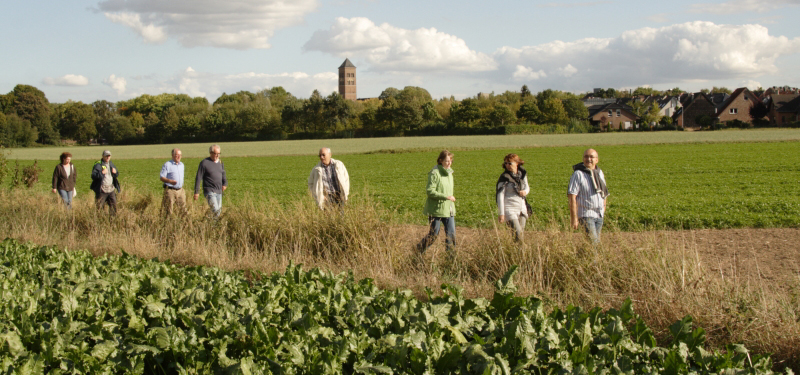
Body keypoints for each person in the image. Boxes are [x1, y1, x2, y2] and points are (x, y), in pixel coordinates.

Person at [415, 150, 456, 255]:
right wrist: (446, 197)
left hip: (449, 209)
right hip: (436, 210)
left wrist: (449, 199)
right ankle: (418, 250)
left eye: (450, 161)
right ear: (440, 160)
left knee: (451, 235)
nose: (449, 163)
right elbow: (430, 191)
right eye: (446, 161)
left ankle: (450, 259)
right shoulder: (434, 173)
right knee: (433, 235)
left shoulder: (450, 173)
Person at [568, 148, 609, 243]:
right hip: (586, 214)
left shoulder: (599, 173)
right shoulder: (578, 174)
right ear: (583, 159)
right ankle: (592, 258)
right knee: (593, 242)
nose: (589, 159)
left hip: (598, 215)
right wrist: (574, 218)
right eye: (586, 156)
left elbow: (604, 193)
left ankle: (584, 257)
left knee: (593, 243)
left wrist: (603, 209)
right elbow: (572, 196)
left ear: (596, 160)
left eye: (591, 157)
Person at [496, 153, 530, 242]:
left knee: (520, 235)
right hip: (509, 208)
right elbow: (500, 195)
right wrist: (501, 213)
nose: (507, 165)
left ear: (517, 163)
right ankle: (520, 253)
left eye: (510, 163)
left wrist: (525, 192)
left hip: (522, 207)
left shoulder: (522, 174)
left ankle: (517, 253)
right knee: (518, 233)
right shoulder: (504, 177)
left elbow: (527, 186)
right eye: (506, 163)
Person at [194, 144, 227, 217]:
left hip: (219, 191)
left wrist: (225, 183)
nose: (217, 155)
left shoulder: (220, 163)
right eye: (215, 153)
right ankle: (214, 227)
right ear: (210, 153)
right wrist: (197, 192)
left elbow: (223, 174)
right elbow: (198, 177)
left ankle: (209, 224)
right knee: (215, 210)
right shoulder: (204, 163)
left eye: (218, 154)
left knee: (218, 211)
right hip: (209, 191)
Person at [90, 150, 120, 216]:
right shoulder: (98, 165)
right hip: (102, 190)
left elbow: (116, 174)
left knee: (113, 207)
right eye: (106, 156)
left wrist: (115, 173)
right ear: (103, 156)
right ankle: (100, 221)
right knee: (99, 208)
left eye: (109, 156)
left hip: (111, 189)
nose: (107, 157)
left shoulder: (111, 164)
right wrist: (101, 173)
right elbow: (93, 176)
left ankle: (112, 221)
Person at [160, 148, 186, 216]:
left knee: (183, 209)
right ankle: (168, 223)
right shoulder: (167, 164)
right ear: (172, 155)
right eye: (177, 155)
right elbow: (162, 177)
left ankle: (184, 224)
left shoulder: (182, 165)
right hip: (170, 191)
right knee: (169, 210)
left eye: (180, 155)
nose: (179, 157)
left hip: (180, 191)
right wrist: (170, 181)